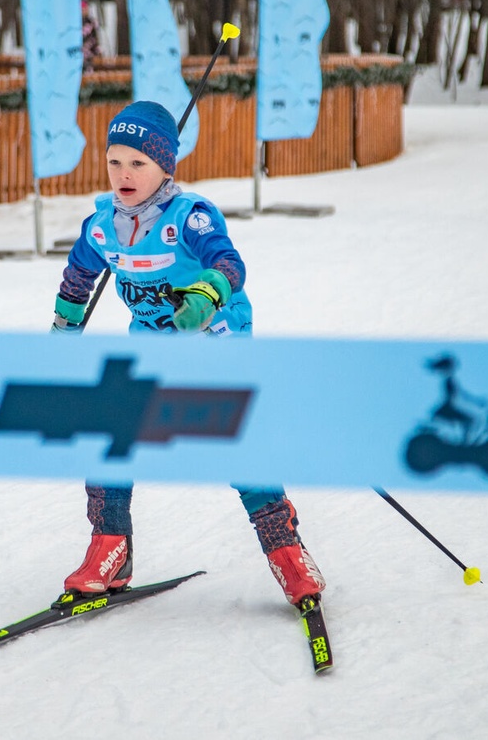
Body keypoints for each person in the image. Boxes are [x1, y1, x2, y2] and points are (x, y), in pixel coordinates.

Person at [50, 100, 326, 611]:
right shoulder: (102, 225)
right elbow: (79, 272)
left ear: (164, 167)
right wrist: (64, 326)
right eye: (115, 161)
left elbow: (230, 263)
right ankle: (111, 550)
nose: (124, 174)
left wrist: (205, 294)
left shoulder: (189, 218)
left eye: (139, 163)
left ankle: (288, 554)